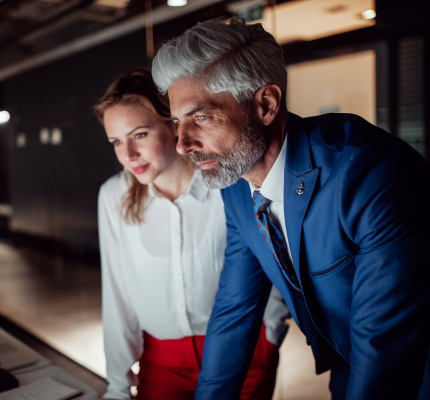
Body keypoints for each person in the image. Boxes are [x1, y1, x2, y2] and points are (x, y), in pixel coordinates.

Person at [152, 17, 430, 400]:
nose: (182, 143)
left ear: (266, 104)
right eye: (177, 121)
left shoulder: (370, 175)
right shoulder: (236, 187)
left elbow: (385, 346)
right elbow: (235, 309)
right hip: (351, 364)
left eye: (201, 117)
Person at [95, 68, 290, 400]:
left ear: (173, 126)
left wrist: (270, 331)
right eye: (116, 141)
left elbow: (267, 260)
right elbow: (117, 294)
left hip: (243, 351)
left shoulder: (226, 184)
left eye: (139, 134)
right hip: (161, 362)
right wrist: (117, 383)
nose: (128, 154)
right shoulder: (113, 196)